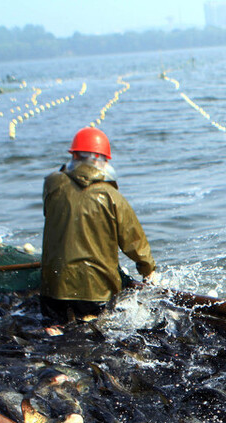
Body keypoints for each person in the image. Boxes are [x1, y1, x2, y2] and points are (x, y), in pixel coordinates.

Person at [40, 128, 155, 327]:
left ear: (74, 155)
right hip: (96, 293)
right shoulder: (112, 196)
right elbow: (134, 242)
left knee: (58, 329)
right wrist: (148, 271)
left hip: (53, 289)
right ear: (103, 161)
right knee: (95, 330)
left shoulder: (52, 184)